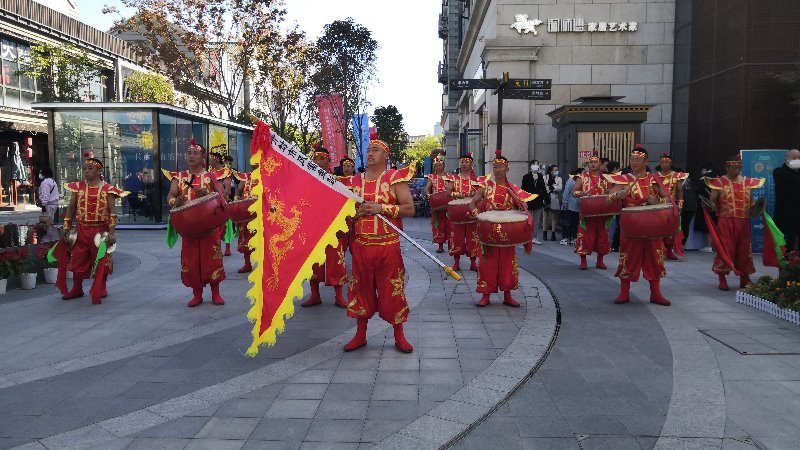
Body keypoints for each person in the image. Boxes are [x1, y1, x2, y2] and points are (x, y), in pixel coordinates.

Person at [345, 138, 416, 353]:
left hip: (388, 246)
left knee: (392, 290)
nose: (369, 154)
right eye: (367, 150)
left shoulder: (395, 178)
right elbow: (344, 215)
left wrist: (380, 208)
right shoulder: (353, 182)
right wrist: (357, 213)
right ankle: (360, 335)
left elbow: (409, 208)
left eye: (375, 150)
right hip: (361, 246)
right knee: (360, 290)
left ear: (385, 156)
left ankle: (399, 335)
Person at [605, 145, 671, 306]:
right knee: (628, 257)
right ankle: (624, 293)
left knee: (655, 257)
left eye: (637, 159)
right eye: (632, 159)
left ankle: (656, 293)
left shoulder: (654, 179)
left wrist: (658, 201)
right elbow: (607, 199)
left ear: (646, 161)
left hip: (652, 226)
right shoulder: (623, 179)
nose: (633, 162)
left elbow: (669, 200)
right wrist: (617, 195)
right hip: (631, 226)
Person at [469, 150, 537, 308]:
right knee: (487, 263)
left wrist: (520, 203)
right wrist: (477, 214)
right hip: (489, 230)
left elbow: (523, 207)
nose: (497, 169)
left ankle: (508, 294)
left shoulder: (513, 189)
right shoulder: (485, 187)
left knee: (508, 263)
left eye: (500, 166)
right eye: (495, 166)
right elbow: (472, 203)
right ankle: (486, 294)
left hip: (507, 231)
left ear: (507, 169)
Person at [165, 139, 226, 307]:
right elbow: (170, 196)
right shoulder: (179, 177)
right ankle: (196, 294)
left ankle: (216, 293)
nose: (191, 156)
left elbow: (223, 198)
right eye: (189, 153)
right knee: (191, 261)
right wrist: (174, 202)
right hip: (189, 227)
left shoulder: (211, 177)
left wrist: (207, 193)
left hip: (209, 227)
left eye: (196, 153)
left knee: (212, 259)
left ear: (203, 157)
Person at [60, 156, 128, 304]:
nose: (86, 171)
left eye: (90, 168)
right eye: (84, 168)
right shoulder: (78, 187)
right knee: (77, 258)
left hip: (100, 230)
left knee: (101, 259)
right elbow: (71, 207)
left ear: (99, 170)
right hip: (81, 228)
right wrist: (66, 226)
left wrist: (111, 233)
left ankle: (101, 287)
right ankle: (77, 288)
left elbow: (112, 212)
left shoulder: (107, 189)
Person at [705, 156, 765, 290]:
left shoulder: (748, 182)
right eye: (734, 168)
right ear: (727, 167)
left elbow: (751, 202)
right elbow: (712, 201)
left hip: (743, 221)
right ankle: (722, 278)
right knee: (726, 249)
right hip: (726, 220)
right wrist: (710, 205)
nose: (737, 170)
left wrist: (757, 207)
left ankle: (745, 278)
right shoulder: (719, 182)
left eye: (739, 168)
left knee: (744, 250)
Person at [302, 145, 348, 308]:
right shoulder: (306, 180)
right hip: (313, 228)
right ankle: (315, 295)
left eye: (322, 159)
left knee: (336, 261)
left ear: (329, 161)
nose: (318, 162)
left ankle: (339, 296)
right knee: (313, 262)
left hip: (333, 228)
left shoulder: (337, 181)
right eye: (315, 158)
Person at [573, 151, 611, 270]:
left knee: (602, 236)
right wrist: (582, 193)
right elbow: (573, 192)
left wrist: (609, 192)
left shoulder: (605, 178)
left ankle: (600, 260)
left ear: (600, 165)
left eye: (596, 162)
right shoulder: (582, 177)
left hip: (602, 213)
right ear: (588, 165)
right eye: (591, 162)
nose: (593, 164)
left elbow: (611, 192)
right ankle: (583, 261)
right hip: (587, 213)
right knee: (585, 236)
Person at [445, 152, 479, 272]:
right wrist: (457, 194)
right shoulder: (454, 178)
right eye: (462, 162)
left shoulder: (476, 180)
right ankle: (456, 262)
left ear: (471, 164)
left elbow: (482, 194)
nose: (464, 164)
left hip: (471, 212)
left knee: (473, 236)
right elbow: (448, 192)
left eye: (466, 162)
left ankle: (473, 262)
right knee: (456, 237)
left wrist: (474, 194)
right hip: (457, 212)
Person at [657, 153, 688, 260]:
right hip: (659, 207)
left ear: (670, 163)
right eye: (662, 162)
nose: (664, 165)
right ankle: (662, 251)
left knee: (673, 231)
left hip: (672, 207)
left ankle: (669, 250)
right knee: (660, 230)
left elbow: (680, 191)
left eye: (667, 162)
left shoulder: (676, 176)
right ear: (660, 164)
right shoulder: (655, 176)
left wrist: (680, 204)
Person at [773, 149, 800, 252]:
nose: (797, 160)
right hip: (785, 218)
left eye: (799, 158)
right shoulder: (779, 172)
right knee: (786, 250)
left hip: (798, 217)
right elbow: (792, 179)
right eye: (794, 158)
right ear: (786, 160)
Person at [233, 166, 258, 273]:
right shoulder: (246, 177)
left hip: (260, 215)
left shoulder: (267, 175)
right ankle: (247, 264)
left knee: (262, 241)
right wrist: (237, 201)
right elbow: (238, 190)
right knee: (246, 240)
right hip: (246, 214)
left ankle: (264, 266)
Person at [209, 151, 234, 256]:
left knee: (226, 225)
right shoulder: (209, 172)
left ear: (216, 159)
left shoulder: (226, 172)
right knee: (215, 227)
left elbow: (228, 190)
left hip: (223, 202)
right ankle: (217, 245)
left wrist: (222, 196)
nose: (209, 161)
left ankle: (227, 247)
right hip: (213, 203)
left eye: (211, 159)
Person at [425, 154, 450, 253]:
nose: (438, 167)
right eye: (436, 166)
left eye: (440, 165)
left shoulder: (449, 177)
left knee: (449, 224)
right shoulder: (432, 177)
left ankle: (450, 244)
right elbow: (427, 188)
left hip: (447, 202)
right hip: (437, 203)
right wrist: (429, 195)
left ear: (443, 166)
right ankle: (440, 245)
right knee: (438, 224)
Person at [521, 159, 547, 245]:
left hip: (538, 201)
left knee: (536, 221)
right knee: (528, 220)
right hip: (529, 200)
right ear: (530, 166)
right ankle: (526, 237)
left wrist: (546, 199)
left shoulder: (540, 176)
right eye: (534, 164)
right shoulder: (526, 177)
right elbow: (523, 189)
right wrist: (523, 200)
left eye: (537, 164)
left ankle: (534, 237)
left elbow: (543, 188)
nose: (536, 166)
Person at [561, 168, 583, 245]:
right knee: (567, 221)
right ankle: (565, 237)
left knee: (575, 222)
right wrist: (565, 201)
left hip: (577, 205)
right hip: (569, 204)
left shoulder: (582, 181)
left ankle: (574, 237)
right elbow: (566, 191)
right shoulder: (571, 180)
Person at [543, 164, 563, 241]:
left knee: (554, 217)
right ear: (551, 170)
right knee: (545, 216)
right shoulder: (545, 177)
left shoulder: (559, 178)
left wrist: (553, 187)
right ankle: (544, 233)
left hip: (554, 197)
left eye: (557, 170)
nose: (556, 171)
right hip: (546, 197)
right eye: (555, 170)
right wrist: (551, 188)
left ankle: (553, 234)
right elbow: (544, 187)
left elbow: (560, 187)